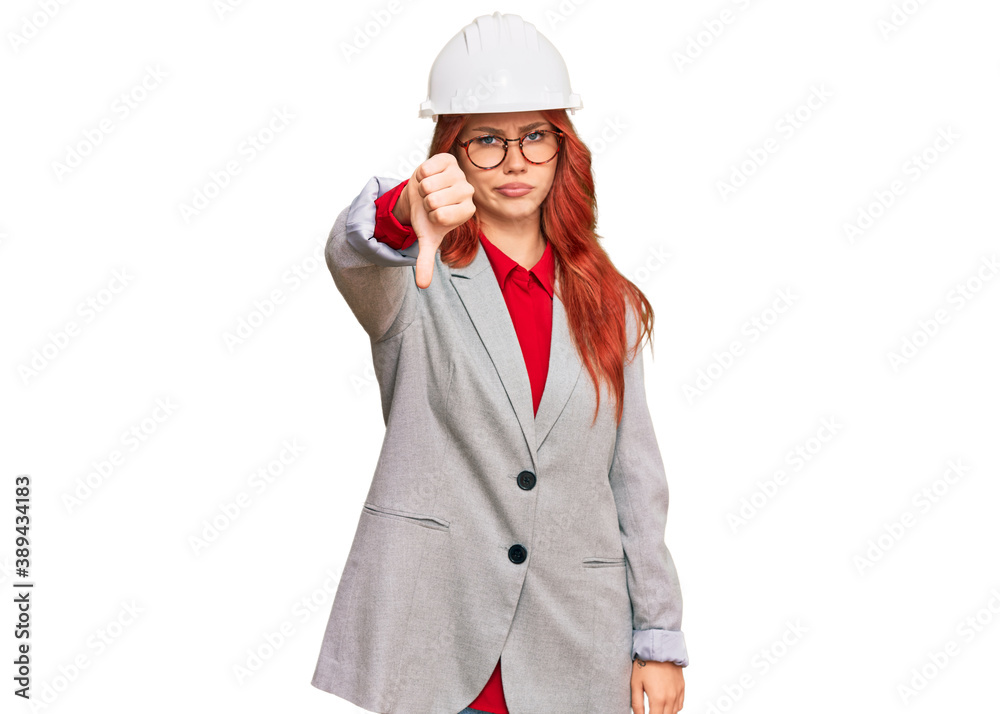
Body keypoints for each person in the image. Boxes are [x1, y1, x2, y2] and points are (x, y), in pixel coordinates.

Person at [311, 12, 688, 714]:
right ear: (449, 155)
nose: (515, 161)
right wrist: (404, 210)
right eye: (487, 140)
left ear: (561, 148)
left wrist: (658, 636)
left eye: (535, 136)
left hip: (576, 636)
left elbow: (635, 480)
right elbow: (349, 250)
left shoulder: (613, 303)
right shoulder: (411, 277)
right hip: (438, 632)